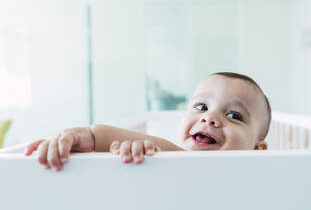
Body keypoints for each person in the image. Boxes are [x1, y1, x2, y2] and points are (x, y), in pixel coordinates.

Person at [25, 72, 271, 171]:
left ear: (259, 150)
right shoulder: (174, 156)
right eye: (201, 107)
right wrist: (84, 136)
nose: (210, 118)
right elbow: (103, 138)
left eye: (233, 115)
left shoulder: (270, 174)